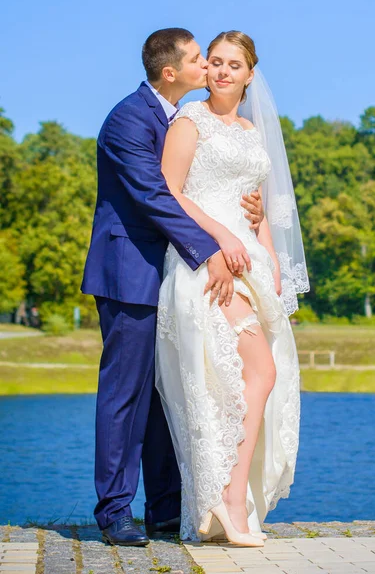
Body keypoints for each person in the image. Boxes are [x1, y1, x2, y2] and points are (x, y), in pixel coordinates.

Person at [81, 28, 265, 547]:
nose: (209, 66)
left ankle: (165, 510)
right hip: (129, 272)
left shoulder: (182, 118)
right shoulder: (128, 120)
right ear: (172, 72)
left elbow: (197, 183)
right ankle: (115, 512)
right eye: (200, 59)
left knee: (171, 394)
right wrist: (211, 250)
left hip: (171, 273)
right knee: (127, 395)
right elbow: (156, 196)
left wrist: (252, 211)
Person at [155, 31, 309, 546]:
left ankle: (229, 502)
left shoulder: (252, 130)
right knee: (254, 372)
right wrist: (218, 237)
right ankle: (224, 498)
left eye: (233, 65)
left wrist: (273, 266)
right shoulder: (189, 121)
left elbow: (256, 205)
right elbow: (171, 193)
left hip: (252, 266)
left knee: (254, 380)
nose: (221, 71)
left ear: (249, 74)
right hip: (206, 262)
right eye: (215, 62)